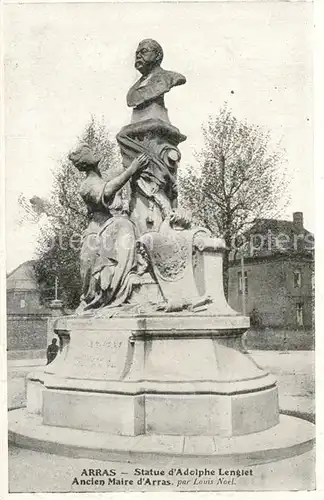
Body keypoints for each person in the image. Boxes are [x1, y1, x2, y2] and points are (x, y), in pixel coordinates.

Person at [68, 144, 150, 312]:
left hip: (114, 228)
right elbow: (108, 191)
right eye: (90, 151)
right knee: (94, 284)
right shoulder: (86, 185)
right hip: (97, 233)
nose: (95, 151)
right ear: (85, 162)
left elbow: (125, 167)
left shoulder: (105, 175)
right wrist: (131, 170)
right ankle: (99, 298)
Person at [127, 39, 186, 110]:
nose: (138, 56)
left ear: (158, 55)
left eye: (144, 51)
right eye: (137, 53)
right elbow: (131, 101)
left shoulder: (169, 77)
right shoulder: (133, 90)